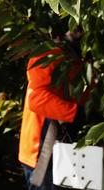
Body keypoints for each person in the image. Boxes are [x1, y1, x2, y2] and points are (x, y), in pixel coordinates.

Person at [18, 40, 88, 190]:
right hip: (42, 152)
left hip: (59, 148)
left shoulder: (76, 54)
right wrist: (75, 112)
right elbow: (36, 99)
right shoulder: (48, 53)